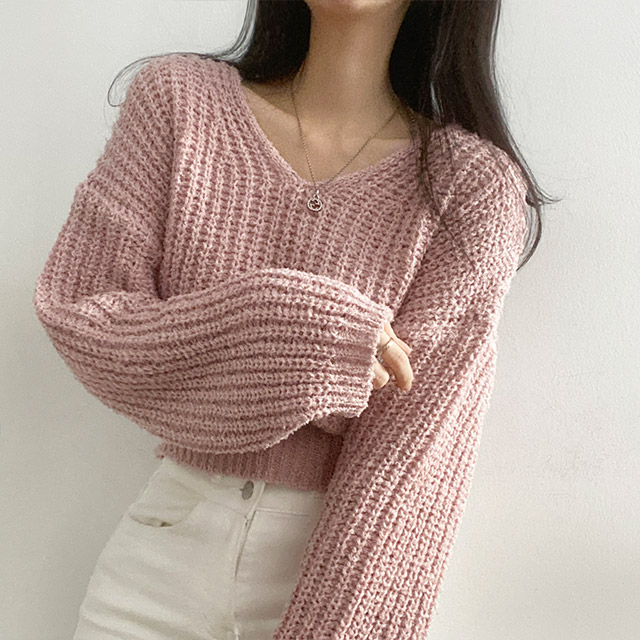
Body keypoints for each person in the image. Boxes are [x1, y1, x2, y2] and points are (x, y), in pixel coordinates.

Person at [33, 1, 550, 638]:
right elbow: (83, 311)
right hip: (160, 557)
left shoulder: (471, 186)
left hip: (334, 563)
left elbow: (412, 456)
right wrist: (289, 330)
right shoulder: (179, 101)